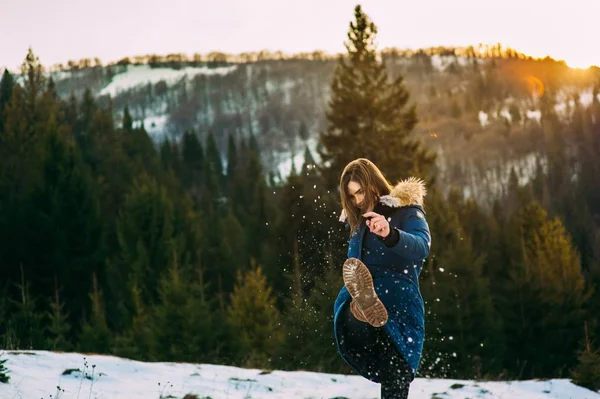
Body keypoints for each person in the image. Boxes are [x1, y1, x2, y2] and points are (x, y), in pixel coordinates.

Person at [333, 158, 431, 399]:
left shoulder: (406, 211)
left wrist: (391, 234)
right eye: (352, 196)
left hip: (398, 303)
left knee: (395, 377)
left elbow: (422, 246)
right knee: (353, 323)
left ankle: (363, 307)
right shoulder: (357, 224)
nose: (357, 201)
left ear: (373, 182)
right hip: (362, 304)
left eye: (360, 192)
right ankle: (362, 305)